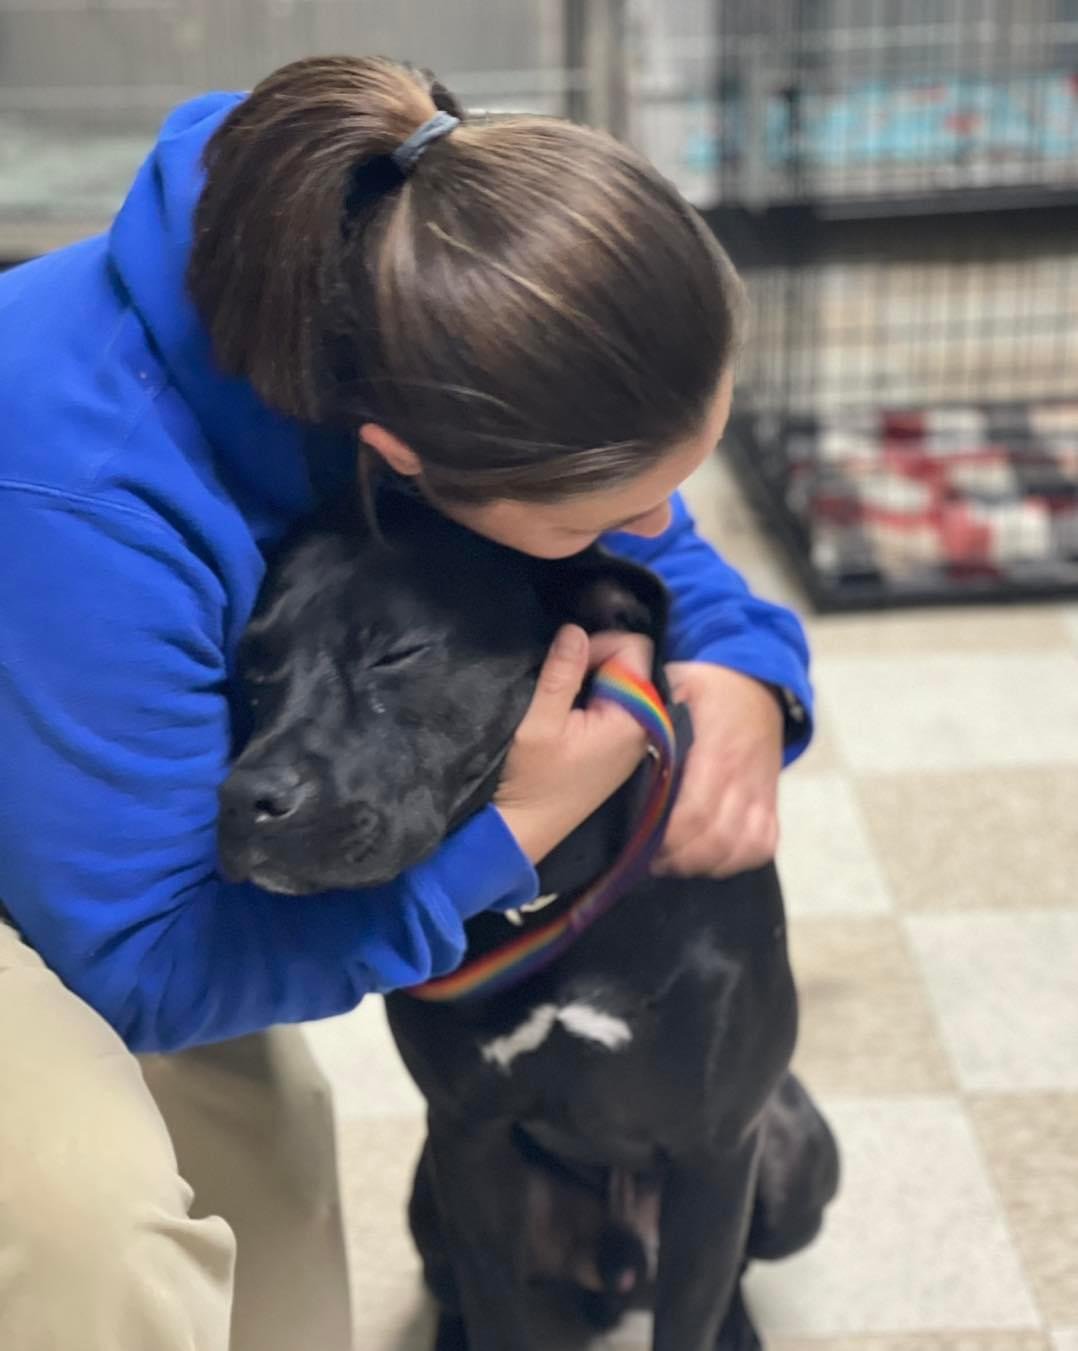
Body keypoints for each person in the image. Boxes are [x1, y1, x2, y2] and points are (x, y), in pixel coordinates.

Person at [0, 55, 812, 1351]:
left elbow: (630, 528)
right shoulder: (73, 487)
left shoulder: (404, 268)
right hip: (38, 707)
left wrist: (744, 660)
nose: (657, 533)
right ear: (401, 466)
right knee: (103, 1219)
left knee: (267, 1154)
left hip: (106, 695)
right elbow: (146, 969)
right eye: (605, 514)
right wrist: (504, 842)